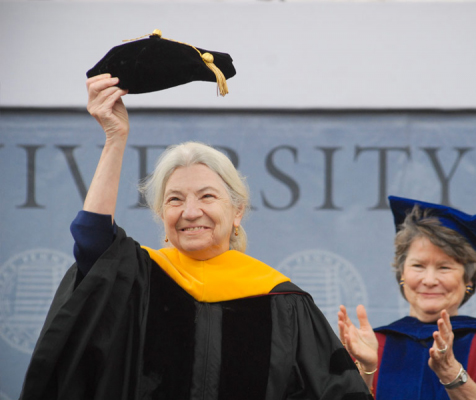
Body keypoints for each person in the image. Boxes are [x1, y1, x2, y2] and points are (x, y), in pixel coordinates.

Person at [19, 74, 372, 400]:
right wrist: (115, 138)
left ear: (237, 211)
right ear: (161, 215)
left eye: (207, 196)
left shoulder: (283, 302)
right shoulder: (139, 281)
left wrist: (370, 371)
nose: (190, 212)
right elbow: (92, 238)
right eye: (175, 199)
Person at [338, 196, 476, 400]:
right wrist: (366, 371)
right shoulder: (373, 346)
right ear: (402, 274)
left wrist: (452, 375)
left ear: (469, 280)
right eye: (418, 265)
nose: (430, 279)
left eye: (444, 267)